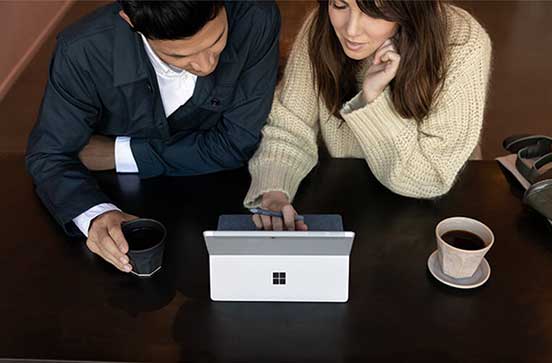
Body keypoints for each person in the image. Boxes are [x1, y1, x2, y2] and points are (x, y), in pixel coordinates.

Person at [26, 0, 280, 272]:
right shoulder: (83, 51)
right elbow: (50, 154)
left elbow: (235, 143)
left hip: (225, 197)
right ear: (130, 21)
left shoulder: (256, 16)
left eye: (217, 39)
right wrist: (97, 215)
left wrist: (119, 153)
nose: (206, 65)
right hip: (118, 197)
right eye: (180, 56)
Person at [244, 0, 492, 231]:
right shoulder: (319, 30)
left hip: (432, 215)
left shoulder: (461, 43)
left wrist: (372, 98)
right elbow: (290, 127)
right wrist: (275, 192)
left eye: (373, 11)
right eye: (340, 5)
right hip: (346, 200)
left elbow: (427, 178)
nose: (351, 30)